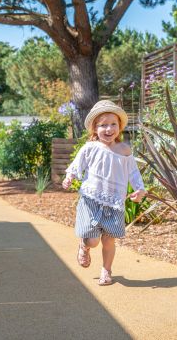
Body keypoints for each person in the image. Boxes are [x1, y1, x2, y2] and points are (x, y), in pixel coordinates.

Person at [62, 100, 146, 285]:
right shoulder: (90, 148)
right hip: (91, 199)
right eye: (103, 125)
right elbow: (77, 165)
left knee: (109, 240)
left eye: (113, 124)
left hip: (114, 202)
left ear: (120, 126)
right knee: (93, 241)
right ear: (94, 128)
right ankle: (84, 246)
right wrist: (70, 176)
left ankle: (106, 271)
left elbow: (133, 172)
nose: (109, 129)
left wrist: (139, 189)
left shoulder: (124, 150)